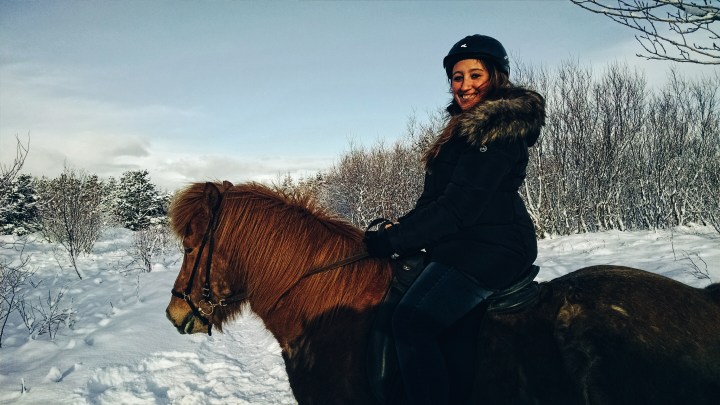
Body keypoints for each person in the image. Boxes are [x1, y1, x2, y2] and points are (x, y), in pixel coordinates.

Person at [363, 34, 545, 405]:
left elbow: (458, 210)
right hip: (464, 243)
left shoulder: (497, 128)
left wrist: (394, 243)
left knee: (411, 323)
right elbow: (436, 201)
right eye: (457, 77)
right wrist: (400, 228)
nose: (464, 86)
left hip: (492, 249)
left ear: (496, 76)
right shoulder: (462, 130)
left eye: (474, 75)